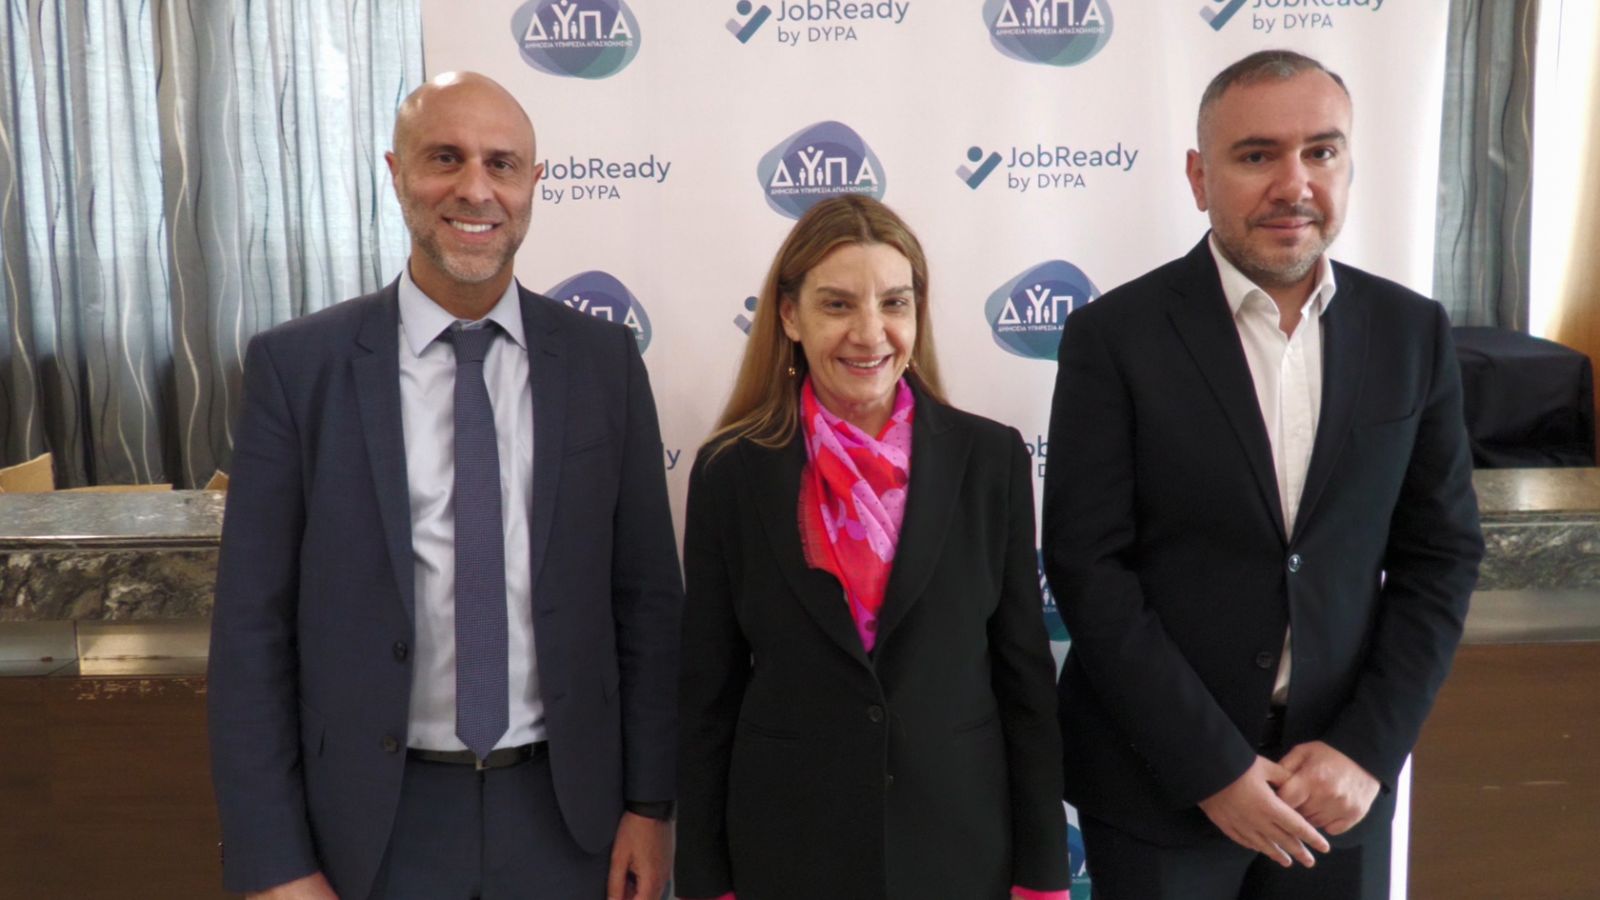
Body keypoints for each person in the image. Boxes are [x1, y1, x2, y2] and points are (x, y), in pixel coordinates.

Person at [207, 72, 683, 900]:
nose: (475, 189)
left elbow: (646, 604)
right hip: (371, 829)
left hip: (570, 823)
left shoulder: (604, 365)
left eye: (502, 164)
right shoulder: (297, 369)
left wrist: (652, 805)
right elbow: (252, 633)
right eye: (444, 158)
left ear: (534, 184)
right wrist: (274, 859)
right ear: (396, 174)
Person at [1043, 50, 1483, 900]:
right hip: (1159, 787)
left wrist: (1367, 749)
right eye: (1257, 155)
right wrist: (1212, 768)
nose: (1295, 184)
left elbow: (1441, 558)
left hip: (1338, 792)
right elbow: (1088, 567)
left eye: (1322, 151)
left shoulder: (1412, 332)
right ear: (1199, 176)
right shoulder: (1114, 337)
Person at [675, 195, 1071, 900]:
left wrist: (1042, 876)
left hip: (959, 851)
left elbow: (1026, 689)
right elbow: (709, 695)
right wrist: (707, 882)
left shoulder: (990, 461)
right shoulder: (731, 473)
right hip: (787, 854)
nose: (870, 333)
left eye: (894, 303)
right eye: (837, 305)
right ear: (789, 316)